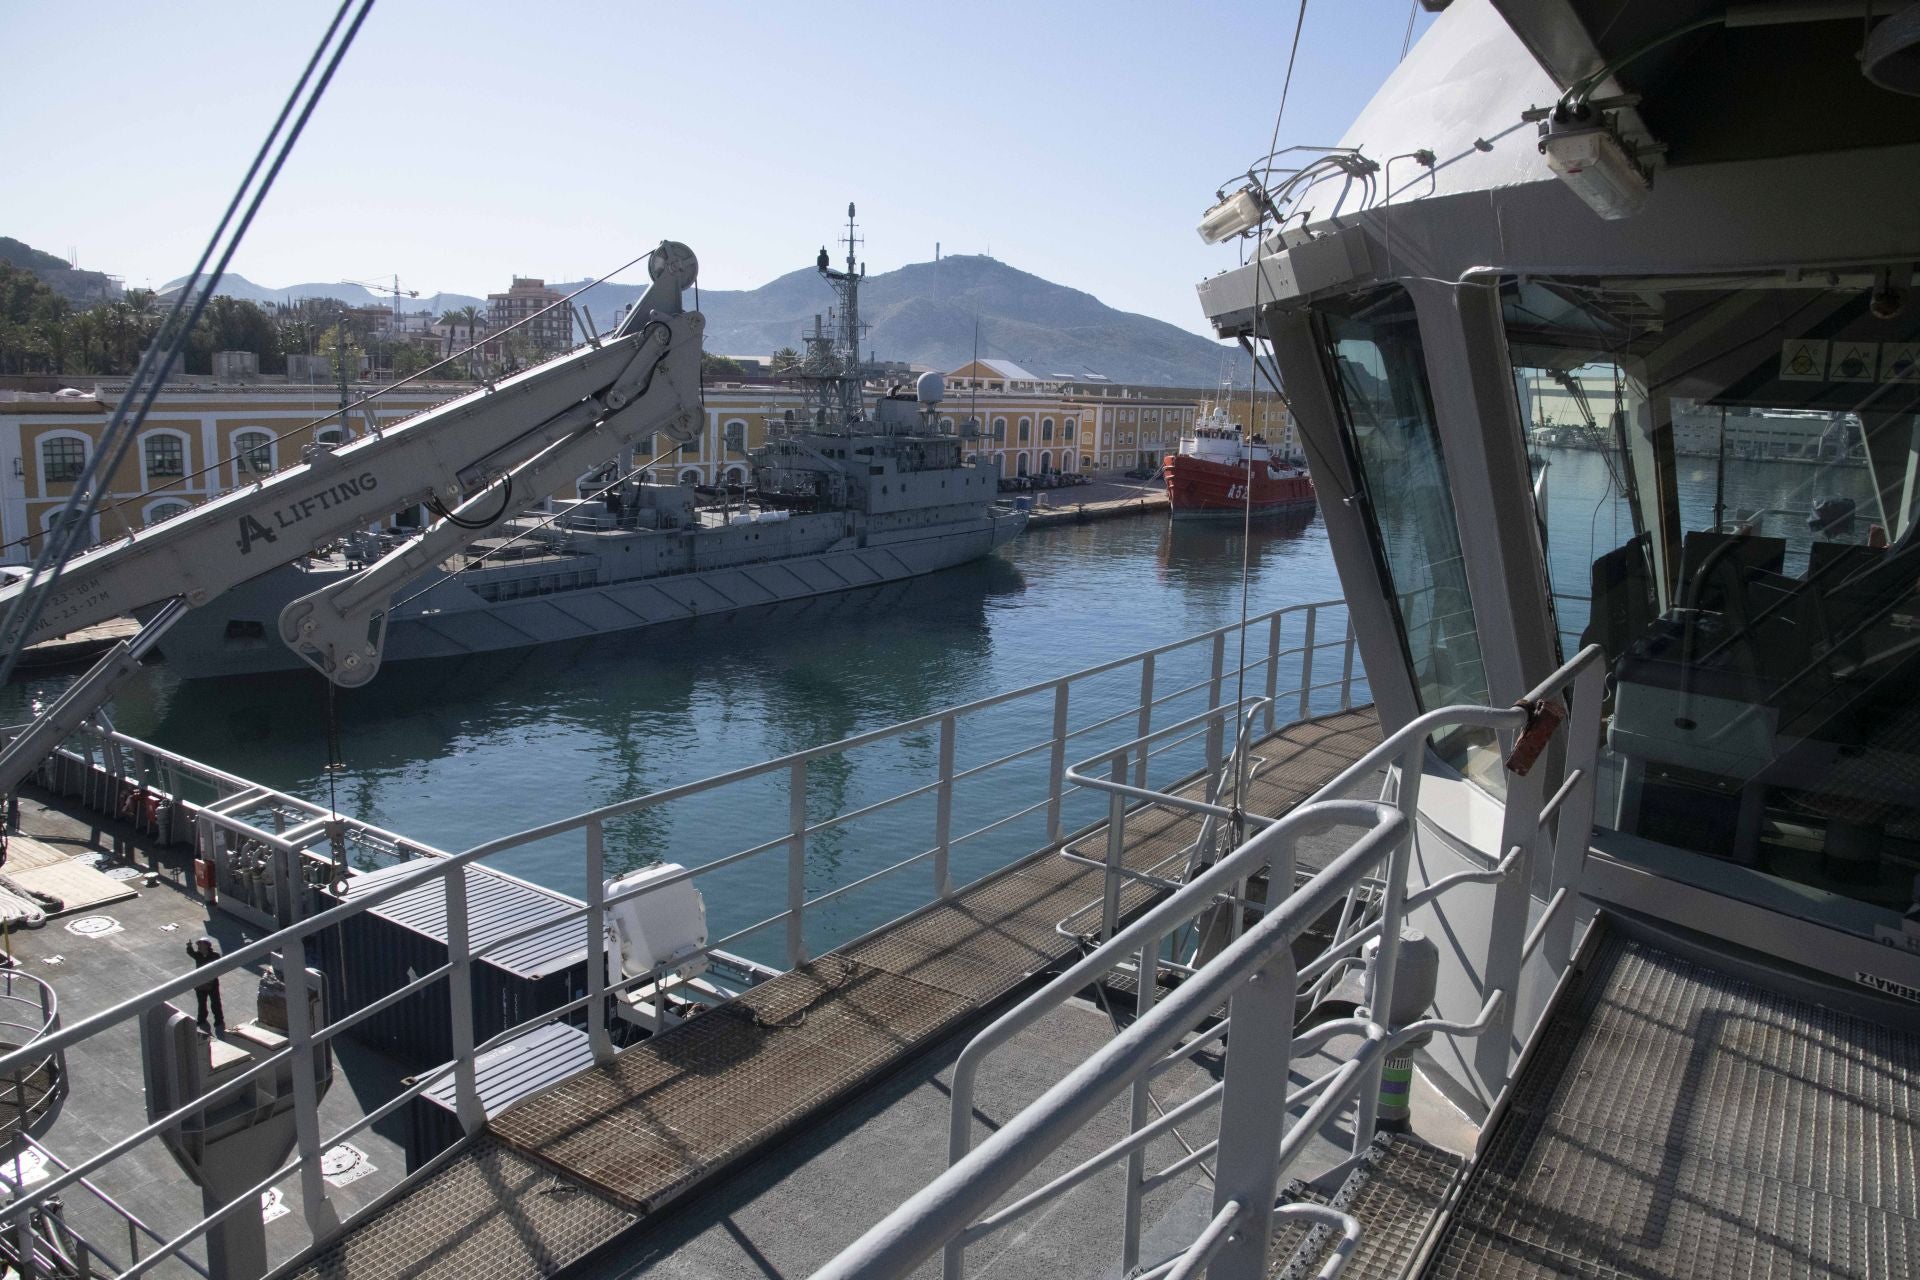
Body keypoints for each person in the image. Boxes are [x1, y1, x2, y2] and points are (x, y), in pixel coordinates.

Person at [187, 936, 225, 1036]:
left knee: (215, 1002)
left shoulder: (214, 956)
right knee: (201, 1003)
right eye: (199, 945)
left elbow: (220, 965)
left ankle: (219, 1020)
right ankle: (201, 1019)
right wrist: (189, 946)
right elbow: (190, 952)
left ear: (207, 946)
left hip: (212, 983)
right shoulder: (198, 955)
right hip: (200, 984)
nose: (199, 947)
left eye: (201, 944)